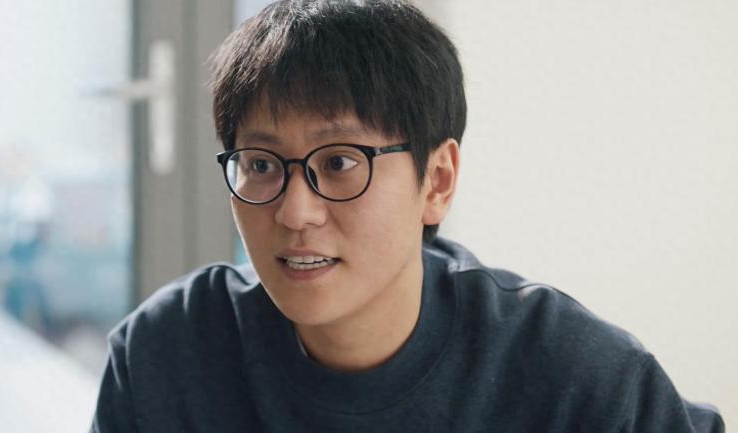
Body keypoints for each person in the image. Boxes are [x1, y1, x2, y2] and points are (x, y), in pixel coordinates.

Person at [91, 1, 724, 431]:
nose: (295, 210)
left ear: (437, 181)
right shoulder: (165, 356)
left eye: (341, 162)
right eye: (261, 164)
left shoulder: (570, 375)